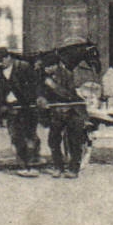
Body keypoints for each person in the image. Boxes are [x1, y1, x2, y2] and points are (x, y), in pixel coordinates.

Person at [38, 51, 89, 179]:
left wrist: (54, 86)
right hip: (56, 112)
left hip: (73, 111)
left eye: (48, 66)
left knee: (74, 141)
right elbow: (40, 91)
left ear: (55, 65)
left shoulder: (67, 74)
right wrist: (41, 99)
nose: (46, 69)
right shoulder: (44, 76)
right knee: (53, 140)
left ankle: (73, 169)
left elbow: (69, 95)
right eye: (45, 67)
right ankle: (58, 167)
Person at [2, 52, 43, 175]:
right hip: (15, 107)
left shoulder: (24, 68)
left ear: (8, 57)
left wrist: (35, 98)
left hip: (27, 107)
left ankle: (30, 164)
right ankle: (26, 164)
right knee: (17, 136)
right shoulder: (2, 71)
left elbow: (35, 85)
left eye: (2, 59)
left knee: (29, 135)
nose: (0, 63)